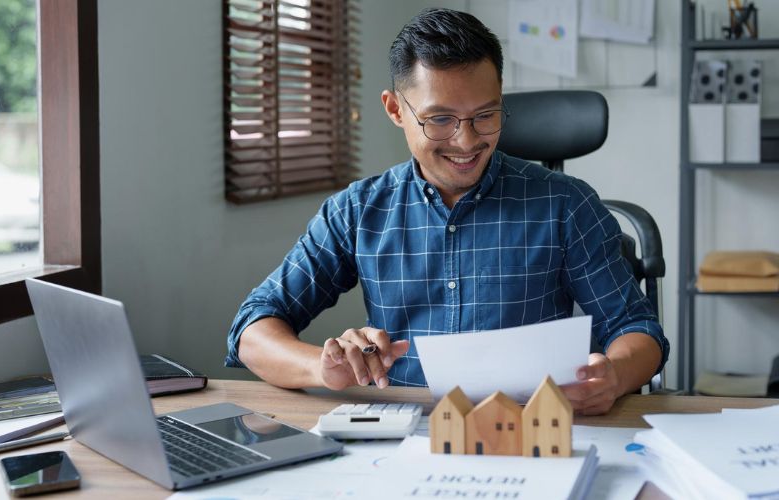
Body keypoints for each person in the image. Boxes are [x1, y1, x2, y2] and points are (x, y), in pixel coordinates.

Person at [226, 8, 669, 415]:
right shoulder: (358, 211)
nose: (466, 141)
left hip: (531, 427)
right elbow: (252, 330)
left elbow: (638, 329)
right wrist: (323, 368)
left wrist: (613, 377)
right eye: (440, 119)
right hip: (403, 433)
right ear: (396, 109)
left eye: (485, 115)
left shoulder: (566, 206)